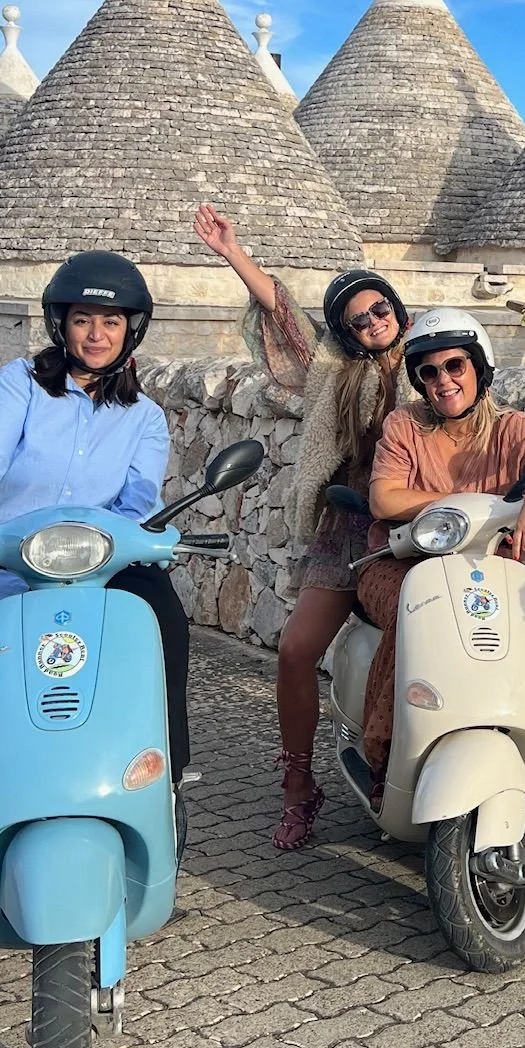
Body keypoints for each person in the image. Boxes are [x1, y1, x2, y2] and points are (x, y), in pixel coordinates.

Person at [0, 252, 188, 995]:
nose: (95, 333)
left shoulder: (144, 419)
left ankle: (164, 784)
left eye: (110, 321)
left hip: (83, 579)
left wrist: (143, 539)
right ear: (61, 323)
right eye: (82, 319)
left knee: (164, 621)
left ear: (131, 331)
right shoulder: (17, 386)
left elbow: (136, 502)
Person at [361, 309, 525, 877]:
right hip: (400, 565)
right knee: (416, 615)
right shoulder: (405, 427)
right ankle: (382, 755)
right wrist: (466, 507)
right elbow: (384, 499)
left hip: (488, 572)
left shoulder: (510, 428)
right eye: (428, 372)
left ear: (479, 368)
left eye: (455, 365)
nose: (443, 380)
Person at [193, 204, 410, 849]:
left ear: (396, 308)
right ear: (344, 333)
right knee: (295, 650)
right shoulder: (334, 374)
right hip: (349, 525)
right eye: (358, 320)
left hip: (420, 527)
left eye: (380, 310)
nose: (373, 323)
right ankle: (298, 786)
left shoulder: (433, 361)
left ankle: (392, 764)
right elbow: (284, 316)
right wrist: (235, 255)